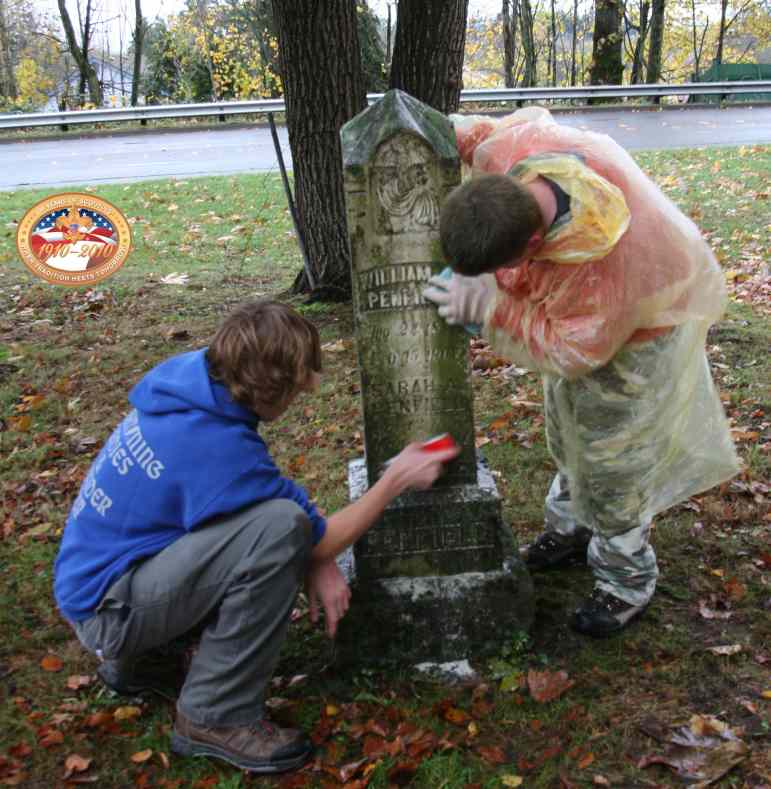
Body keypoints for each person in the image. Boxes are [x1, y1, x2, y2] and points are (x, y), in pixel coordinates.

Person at [53, 299, 459, 774]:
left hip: (104, 586)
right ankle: (213, 715)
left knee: (280, 524)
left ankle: (144, 661)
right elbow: (297, 527)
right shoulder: (217, 448)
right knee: (280, 527)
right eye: (299, 384)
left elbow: (252, 508)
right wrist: (394, 481)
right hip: (111, 612)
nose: (305, 393)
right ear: (271, 387)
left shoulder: (189, 386)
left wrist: (317, 555)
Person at [424, 107, 739, 638]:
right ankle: (570, 528)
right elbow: (478, 135)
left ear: (530, 248)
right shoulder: (520, 154)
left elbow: (571, 351)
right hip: (587, 322)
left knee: (612, 457)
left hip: (643, 331)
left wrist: (487, 309)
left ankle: (624, 580)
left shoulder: (602, 268)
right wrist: (426, 126)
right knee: (565, 423)